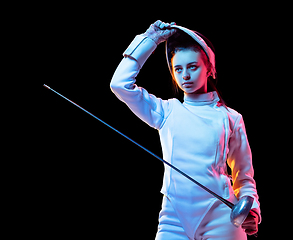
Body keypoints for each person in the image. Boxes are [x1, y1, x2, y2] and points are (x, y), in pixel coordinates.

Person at [110, 20, 261, 240]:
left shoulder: (231, 118)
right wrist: (150, 39)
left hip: (221, 215)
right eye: (178, 69)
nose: (185, 76)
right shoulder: (166, 111)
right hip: (174, 216)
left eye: (193, 67)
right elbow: (120, 85)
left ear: (209, 68)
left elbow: (244, 177)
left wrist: (251, 208)